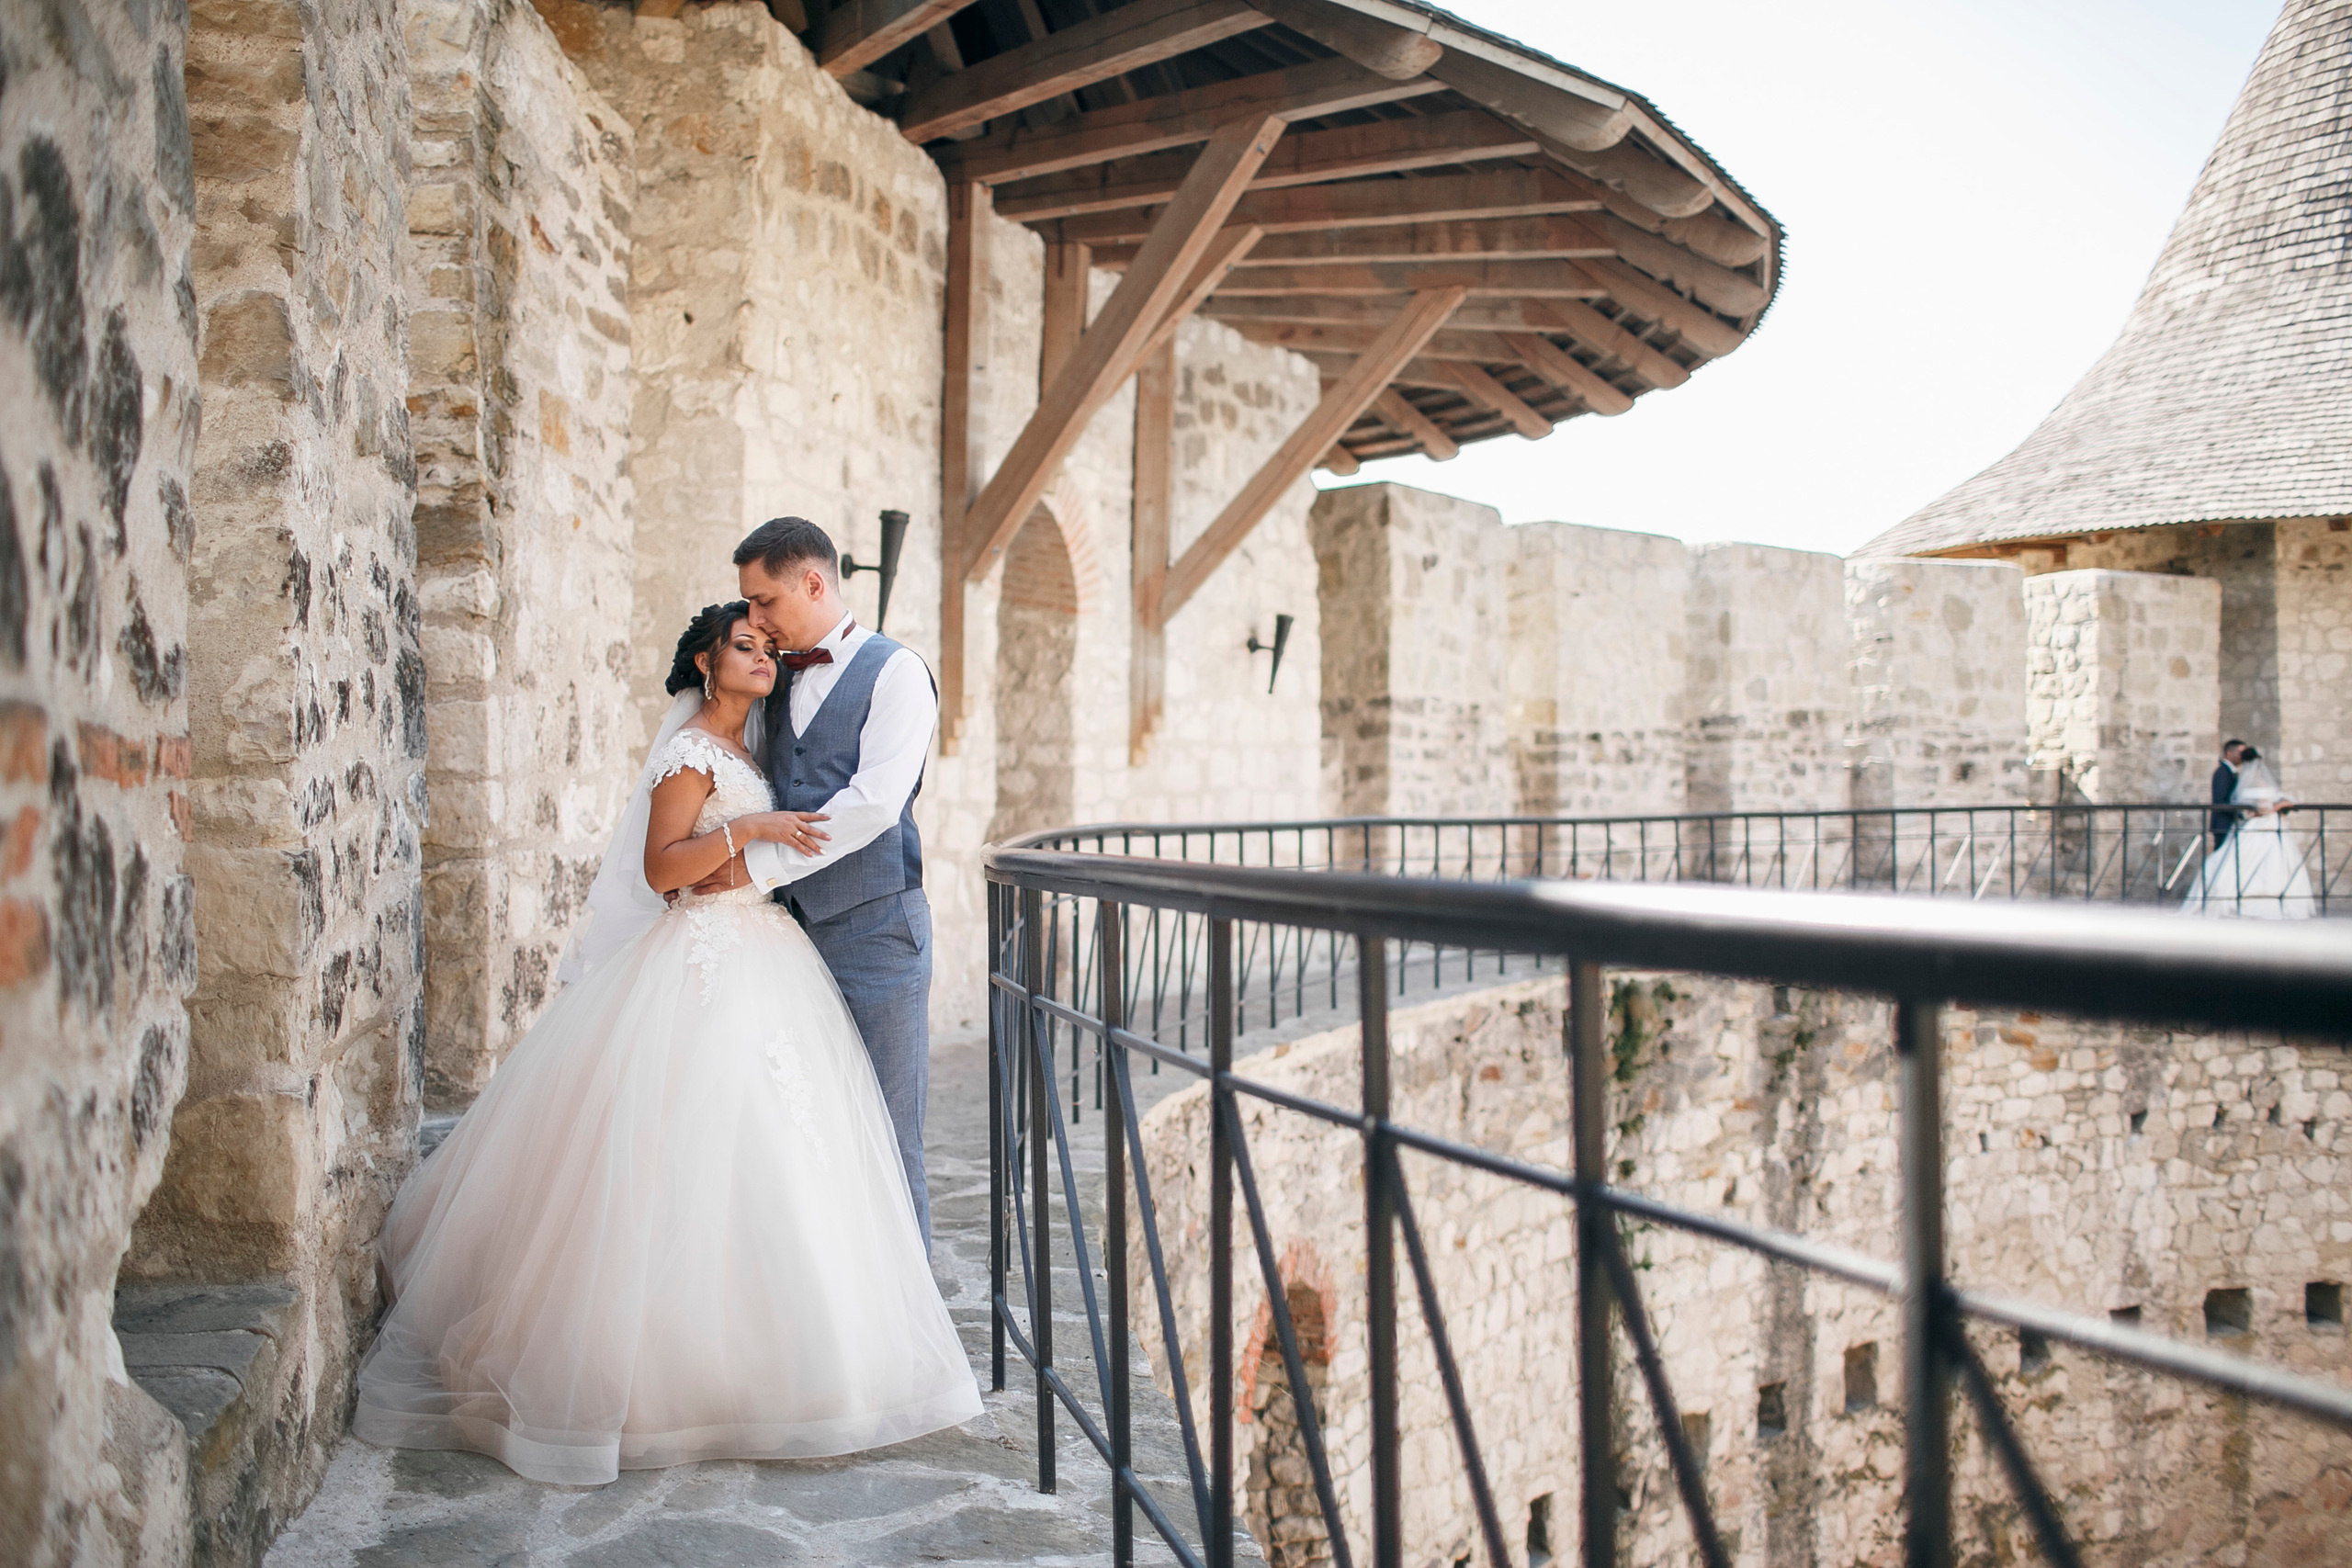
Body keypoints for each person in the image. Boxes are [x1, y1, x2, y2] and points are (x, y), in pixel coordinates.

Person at [351, 603, 981, 1485]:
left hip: (763, 953)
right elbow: (661, 869)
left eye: (769, 645)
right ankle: (656, 1371)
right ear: (705, 658)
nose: (764, 656)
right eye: (746, 645)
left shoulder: (755, 745)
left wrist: (752, 844)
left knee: (777, 1151)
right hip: (702, 960)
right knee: (681, 1149)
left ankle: (785, 1352)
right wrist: (754, 830)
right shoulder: (690, 750)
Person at [695, 518, 943, 1250]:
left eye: (764, 600)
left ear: (813, 582)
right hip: (782, 943)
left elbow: (871, 804)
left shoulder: (897, 673)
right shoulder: (773, 675)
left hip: (877, 935)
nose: (755, 618)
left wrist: (751, 868)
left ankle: (912, 1334)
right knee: (799, 1131)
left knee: (891, 1136)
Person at [2186, 746, 2317, 919]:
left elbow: (2255, 807)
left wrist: (2275, 806)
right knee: (2270, 863)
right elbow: (2264, 807)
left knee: (2251, 862)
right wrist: (2279, 807)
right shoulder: (2243, 779)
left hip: (2260, 826)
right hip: (2266, 825)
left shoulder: (2242, 780)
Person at [2211, 738, 2247, 849]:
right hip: (2223, 824)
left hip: (2228, 824)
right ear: (2229, 753)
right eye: (2240, 753)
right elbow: (2221, 800)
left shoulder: (2229, 772)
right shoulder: (2223, 772)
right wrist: (2240, 812)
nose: (2242, 756)